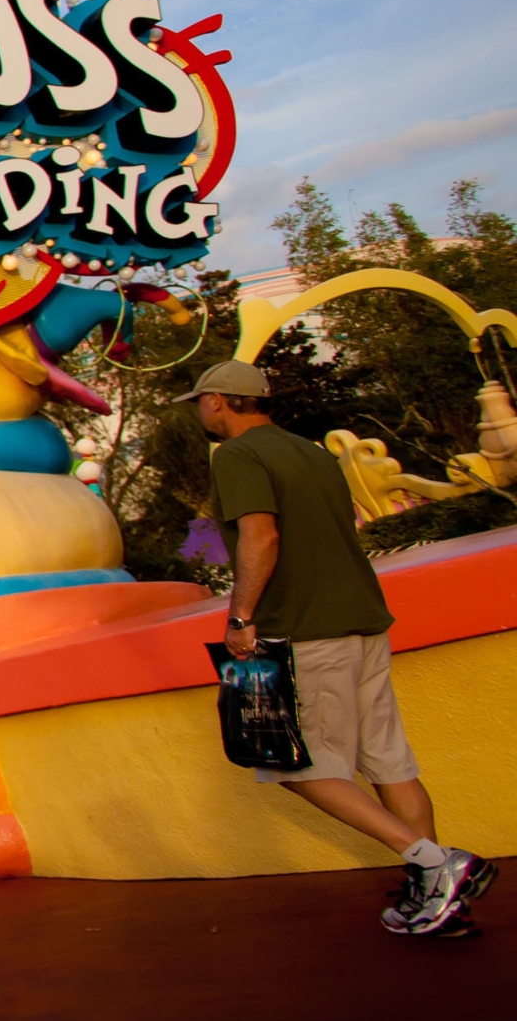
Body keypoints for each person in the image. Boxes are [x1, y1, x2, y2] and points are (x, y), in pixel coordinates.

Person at [195, 360, 492, 933]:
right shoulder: (312, 453)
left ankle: (436, 863)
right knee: (388, 761)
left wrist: (241, 617)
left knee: (292, 766)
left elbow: (262, 535)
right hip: (363, 621)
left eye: (202, 403)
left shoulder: (236, 455)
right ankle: (437, 898)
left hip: (305, 629)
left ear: (218, 401)